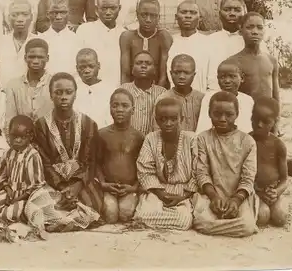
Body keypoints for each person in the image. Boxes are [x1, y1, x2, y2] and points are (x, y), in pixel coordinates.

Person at [33, 72, 105, 218]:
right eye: (58, 93)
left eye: (68, 92)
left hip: (81, 182)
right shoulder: (41, 125)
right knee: (40, 208)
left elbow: (89, 161)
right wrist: (62, 187)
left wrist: (77, 186)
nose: (63, 97)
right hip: (53, 182)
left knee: (92, 206)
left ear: (75, 94)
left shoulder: (88, 124)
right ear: (51, 95)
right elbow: (44, 163)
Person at [192, 91, 258, 238]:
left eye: (229, 114)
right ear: (209, 113)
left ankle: (221, 223)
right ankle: (224, 223)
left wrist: (236, 199)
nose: (222, 119)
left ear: (237, 114)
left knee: (247, 226)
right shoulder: (202, 139)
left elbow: (248, 177)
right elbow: (201, 172)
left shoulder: (247, 141)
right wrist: (213, 196)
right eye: (217, 114)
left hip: (239, 195)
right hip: (211, 194)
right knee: (201, 221)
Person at [134, 98, 197, 230]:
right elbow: (145, 171)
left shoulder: (191, 139)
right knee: (142, 214)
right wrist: (161, 194)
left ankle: (163, 219)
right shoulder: (151, 138)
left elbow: (199, 171)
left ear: (181, 119)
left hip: (184, 191)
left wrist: (182, 197)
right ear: (157, 120)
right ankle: (162, 217)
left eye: (173, 119)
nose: (168, 123)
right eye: (163, 119)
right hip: (158, 189)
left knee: (184, 221)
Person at [0, 115, 45, 222]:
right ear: (9, 135)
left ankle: (17, 214)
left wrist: (17, 199)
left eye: (23, 137)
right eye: (14, 137)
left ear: (30, 137)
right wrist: (7, 189)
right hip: (10, 192)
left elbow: (36, 186)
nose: (18, 140)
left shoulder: (33, 156)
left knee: (12, 212)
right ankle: (6, 212)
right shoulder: (7, 153)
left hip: (27, 196)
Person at [226, 12, 280, 135]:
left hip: (266, 118)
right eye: (250, 27)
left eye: (259, 27)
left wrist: (276, 121)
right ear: (241, 30)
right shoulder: (232, 62)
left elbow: (276, 95)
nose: (255, 31)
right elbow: (229, 97)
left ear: (264, 31)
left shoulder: (271, 61)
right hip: (244, 119)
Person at [98, 88, 144, 223]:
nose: (119, 109)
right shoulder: (102, 135)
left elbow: (143, 167)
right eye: (115, 105)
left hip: (129, 189)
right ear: (110, 108)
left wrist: (134, 187)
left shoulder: (139, 137)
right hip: (108, 187)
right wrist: (103, 184)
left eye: (125, 106)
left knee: (126, 214)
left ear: (133, 110)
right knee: (110, 214)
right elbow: (96, 163)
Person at [206, 0, 270, 90]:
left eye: (237, 10)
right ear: (219, 14)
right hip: (216, 95)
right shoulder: (209, 40)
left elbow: (265, 74)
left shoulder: (256, 42)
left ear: (245, 13)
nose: (232, 13)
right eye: (227, 10)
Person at [250, 97, 288, 227]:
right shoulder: (246, 141)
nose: (259, 125)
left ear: (274, 122)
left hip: (272, 190)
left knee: (280, 218)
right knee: (262, 217)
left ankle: (278, 202)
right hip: (253, 191)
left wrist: (276, 192)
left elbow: (284, 180)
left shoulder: (278, 145)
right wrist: (257, 192)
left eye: (265, 121)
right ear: (251, 117)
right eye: (256, 119)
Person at [4, 38, 53, 140]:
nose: (35, 61)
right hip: (21, 142)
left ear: (47, 58)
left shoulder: (54, 84)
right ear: (25, 58)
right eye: (31, 57)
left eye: (40, 57)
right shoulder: (13, 86)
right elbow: (10, 120)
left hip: (49, 143)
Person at [120, 0, 173, 87]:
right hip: (133, 89)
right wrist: (127, 93)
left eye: (153, 16)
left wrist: (157, 96)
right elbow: (125, 74)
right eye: (144, 15)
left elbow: (163, 77)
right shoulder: (127, 37)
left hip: (158, 89)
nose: (148, 20)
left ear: (158, 17)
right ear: (137, 15)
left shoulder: (163, 37)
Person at [77, 0, 125, 87]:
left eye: (112, 8)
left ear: (119, 8)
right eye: (103, 8)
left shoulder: (124, 33)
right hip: (91, 89)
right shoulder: (84, 30)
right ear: (96, 9)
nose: (108, 12)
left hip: (117, 89)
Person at [197, 60, 254, 134]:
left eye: (232, 76)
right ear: (217, 78)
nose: (227, 81)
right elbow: (203, 129)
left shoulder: (248, 100)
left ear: (242, 78)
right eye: (222, 77)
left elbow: (249, 129)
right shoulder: (210, 97)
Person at [166, 0, 210, 92]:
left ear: (200, 18)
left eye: (193, 13)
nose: (188, 16)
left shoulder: (208, 43)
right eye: (183, 12)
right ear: (176, 17)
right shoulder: (170, 41)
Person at [153, 54, 204, 132]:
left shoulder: (202, 99)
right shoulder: (163, 99)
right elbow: (157, 130)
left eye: (186, 73)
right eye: (177, 72)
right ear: (171, 73)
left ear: (194, 75)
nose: (181, 76)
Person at [121, 51, 167, 136]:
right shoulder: (123, 90)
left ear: (155, 70)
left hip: (152, 145)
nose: (143, 66)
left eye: (148, 63)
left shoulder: (163, 93)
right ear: (132, 69)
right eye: (139, 63)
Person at [0, 0, 36, 88]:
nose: (20, 19)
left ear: (32, 17)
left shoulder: (38, 42)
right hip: (4, 94)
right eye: (14, 15)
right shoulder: (0, 42)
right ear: (9, 18)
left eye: (25, 15)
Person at [38, 0, 82, 75]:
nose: (58, 17)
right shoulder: (40, 40)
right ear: (48, 14)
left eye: (62, 12)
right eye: (54, 13)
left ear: (68, 13)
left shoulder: (77, 40)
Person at [73, 48, 114, 129]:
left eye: (91, 66)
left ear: (98, 65)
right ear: (77, 68)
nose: (87, 70)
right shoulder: (73, 89)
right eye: (82, 67)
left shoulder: (110, 90)